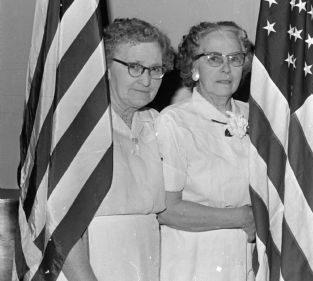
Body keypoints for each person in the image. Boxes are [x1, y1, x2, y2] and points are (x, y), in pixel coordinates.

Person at [61, 18, 175, 281]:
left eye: (156, 68)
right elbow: (62, 229)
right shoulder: (79, 130)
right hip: (92, 266)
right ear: (106, 67)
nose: (146, 80)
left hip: (145, 262)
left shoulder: (156, 123)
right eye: (134, 67)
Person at [156, 21, 256, 281]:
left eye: (235, 59)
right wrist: (241, 217)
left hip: (249, 259)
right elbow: (166, 210)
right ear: (193, 67)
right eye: (213, 58)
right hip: (195, 262)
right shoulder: (174, 121)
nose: (226, 68)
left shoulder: (256, 115)